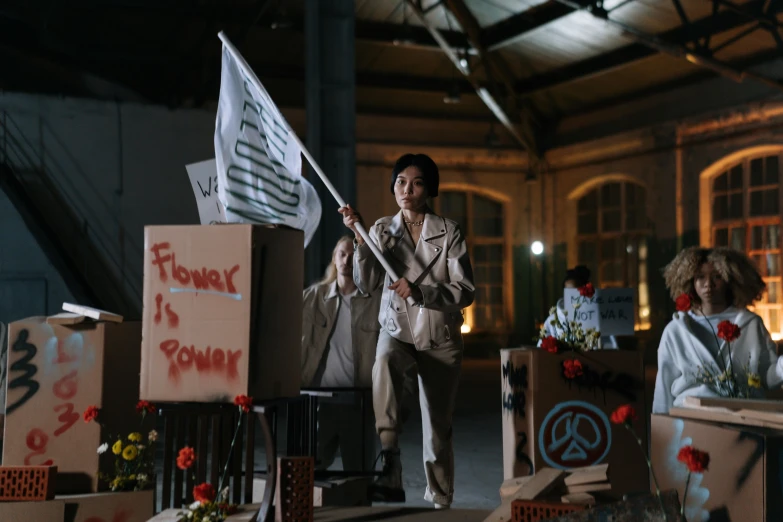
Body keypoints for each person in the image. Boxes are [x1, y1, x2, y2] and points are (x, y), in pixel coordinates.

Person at [339, 153, 474, 509]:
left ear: (429, 189)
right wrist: (359, 238)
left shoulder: (449, 231)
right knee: (383, 361)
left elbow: (466, 290)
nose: (407, 190)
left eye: (416, 183)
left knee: (438, 423)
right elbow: (366, 283)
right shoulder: (381, 229)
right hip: (396, 327)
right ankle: (389, 456)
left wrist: (422, 292)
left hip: (439, 336)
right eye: (400, 182)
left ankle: (442, 499)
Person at [653, 247, 783, 414]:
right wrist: (660, 433)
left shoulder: (751, 324)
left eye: (717, 277)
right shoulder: (675, 331)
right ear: (690, 280)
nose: (708, 284)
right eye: (700, 277)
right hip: (691, 419)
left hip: (744, 419)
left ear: (731, 279)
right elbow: (664, 387)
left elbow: (768, 379)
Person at [301, 236, 382, 472]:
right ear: (334, 259)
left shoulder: (374, 302)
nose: (347, 260)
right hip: (319, 400)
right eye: (342, 254)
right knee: (311, 471)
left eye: (354, 254)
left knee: (359, 473)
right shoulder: (313, 297)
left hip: (358, 401)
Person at [538, 265, 617, 349]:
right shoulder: (554, 320)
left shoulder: (599, 317)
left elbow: (612, 347)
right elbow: (542, 346)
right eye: (568, 292)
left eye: (576, 291)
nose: (573, 297)